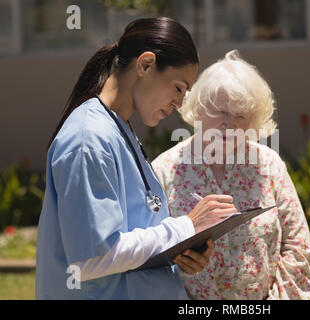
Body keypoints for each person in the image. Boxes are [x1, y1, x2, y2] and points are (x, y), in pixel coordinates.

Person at [35, 17, 237, 300]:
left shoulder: (119, 129)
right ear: (145, 64)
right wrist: (185, 227)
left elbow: (136, 243)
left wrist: (179, 254)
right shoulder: (88, 138)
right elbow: (92, 259)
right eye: (178, 88)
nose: (180, 104)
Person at [152, 50, 310, 300]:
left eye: (241, 115)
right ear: (200, 110)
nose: (230, 125)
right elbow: (150, 252)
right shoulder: (165, 169)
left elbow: (297, 247)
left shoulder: (269, 165)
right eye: (220, 112)